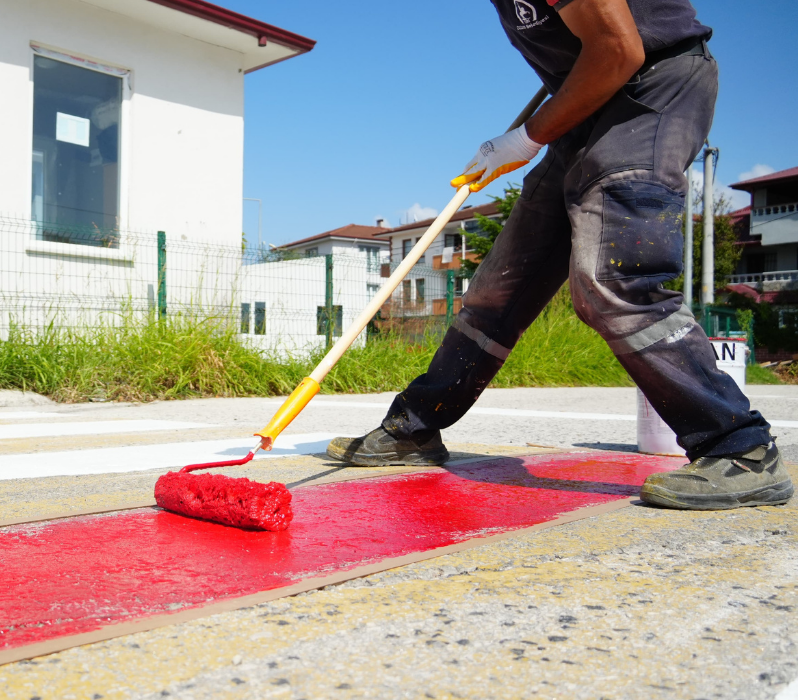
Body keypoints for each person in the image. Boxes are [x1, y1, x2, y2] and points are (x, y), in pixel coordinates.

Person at [327, 0, 792, 510]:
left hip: (652, 88)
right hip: (589, 108)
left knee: (614, 278)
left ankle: (741, 448)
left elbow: (618, 49)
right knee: (498, 289)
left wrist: (526, 138)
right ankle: (416, 427)